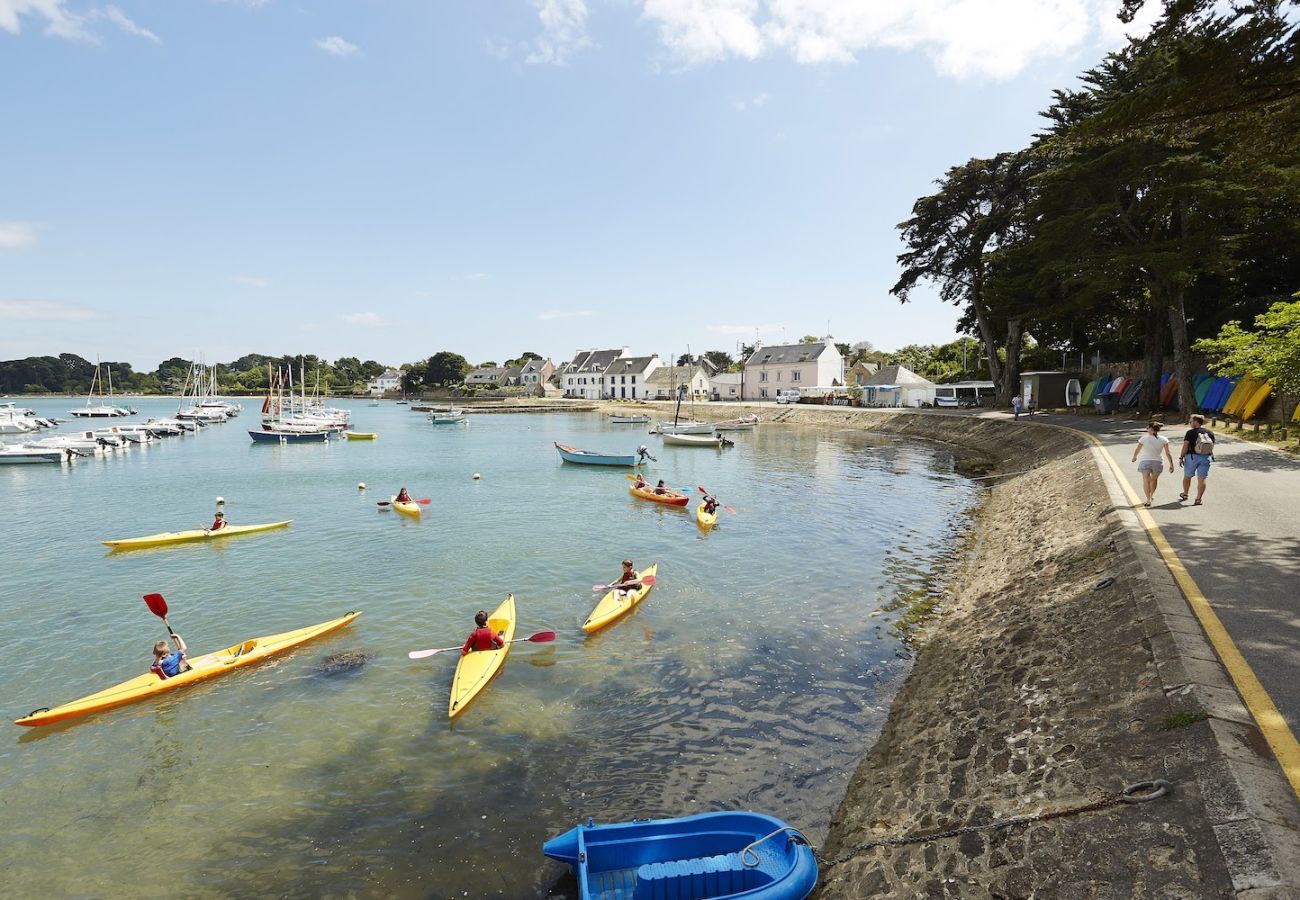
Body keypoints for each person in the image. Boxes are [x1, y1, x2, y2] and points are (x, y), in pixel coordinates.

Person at [1130, 420, 1174, 507]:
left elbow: (1137, 449)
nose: (1147, 429)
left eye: (1148, 427)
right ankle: (1151, 496)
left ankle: (1148, 499)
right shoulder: (1164, 439)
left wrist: (1134, 457)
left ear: (1151, 429)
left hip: (1145, 461)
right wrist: (1171, 464)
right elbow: (1168, 453)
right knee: (1154, 480)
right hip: (1158, 462)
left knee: (1146, 480)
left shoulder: (1143, 438)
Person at [1178, 414, 1216, 505]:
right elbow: (1211, 446)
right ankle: (1198, 499)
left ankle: (1185, 494)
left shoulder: (1190, 432)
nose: (1190, 423)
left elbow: (1185, 446)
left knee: (1187, 477)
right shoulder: (1210, 433)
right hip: (1206, 457)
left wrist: (1181, 457)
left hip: (1192, 457)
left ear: (1196, 422)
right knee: (1202, 479)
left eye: (1191, 421)